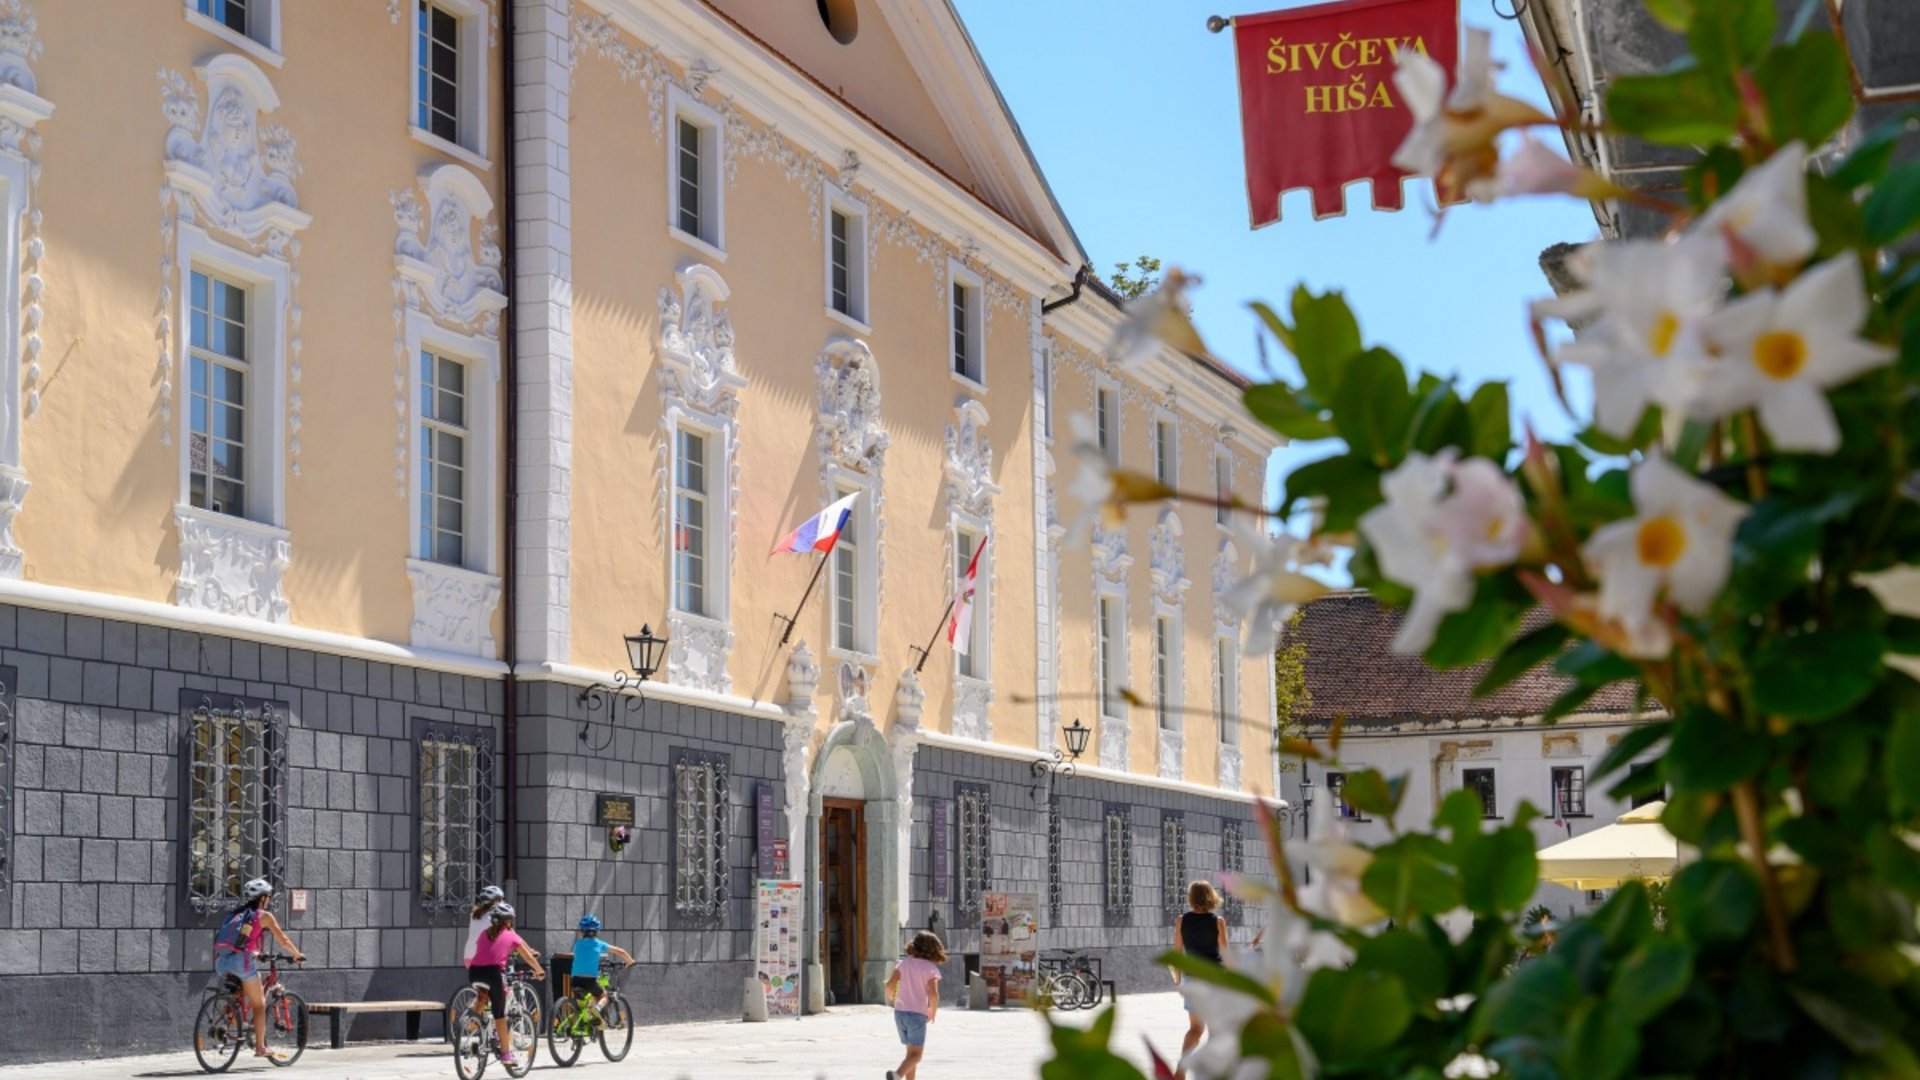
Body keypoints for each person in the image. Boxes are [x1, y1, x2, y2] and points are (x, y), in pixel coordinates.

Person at [211, 878, 305, 1060]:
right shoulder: (264, 916)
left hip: (221, 962)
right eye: (268, 896)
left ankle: (229, 1015)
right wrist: (297, 954)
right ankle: (261, 1047)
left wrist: (256, 953)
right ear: (262, 898)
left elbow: (239, 942)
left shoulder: (236, 914)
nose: (268, 900)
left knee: (245, 985)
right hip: (242, 963)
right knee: (259, 1004)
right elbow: (283, 939)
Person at [467, 902, 545, 1067]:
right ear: (508, 921)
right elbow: (528, 956)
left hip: (474, 972)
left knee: (484, 995)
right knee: (499, 1014)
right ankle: (506, 1054)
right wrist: (539, 971)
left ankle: (471, 1020)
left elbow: (485, 953)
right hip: (493, 974)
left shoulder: (484, 933)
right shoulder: (510, 935)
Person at [1173, 880, 1229, 1080]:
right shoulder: (1218, 922)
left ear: (1191, 898)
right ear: (1211, 896)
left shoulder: (1181, 920)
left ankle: (1180, 1072)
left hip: (1192, 980)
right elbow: (1226, 955)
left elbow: (1176, 954)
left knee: (1195, 1029)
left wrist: (1178, 981)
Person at [883, 931, 945, 1080]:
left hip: (900, 1013)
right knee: (917, 1055)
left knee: (910, 1054)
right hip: (917, 1015)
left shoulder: (903, 964)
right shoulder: (930, 968)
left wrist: (892, 998)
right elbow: (933, 994)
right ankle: (897, 1075)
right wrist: (933, 1011)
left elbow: (889, 985)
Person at [568, 914, 633, 1018]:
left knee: (586, 1000)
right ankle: (596, 1010)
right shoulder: (598, 944)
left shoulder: (578, 944)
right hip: (589, 980)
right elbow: (621, 951)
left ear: (581, 931)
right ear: (597, 931)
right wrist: (630, 961)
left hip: (575, 979)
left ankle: (586, 1018)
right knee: (604, 996)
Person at [463, 885, 506, 966]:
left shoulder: (474, 915)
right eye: (501, 900)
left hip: (468, 956)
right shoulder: (495, 918)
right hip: (484, 957)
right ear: (495, 901)